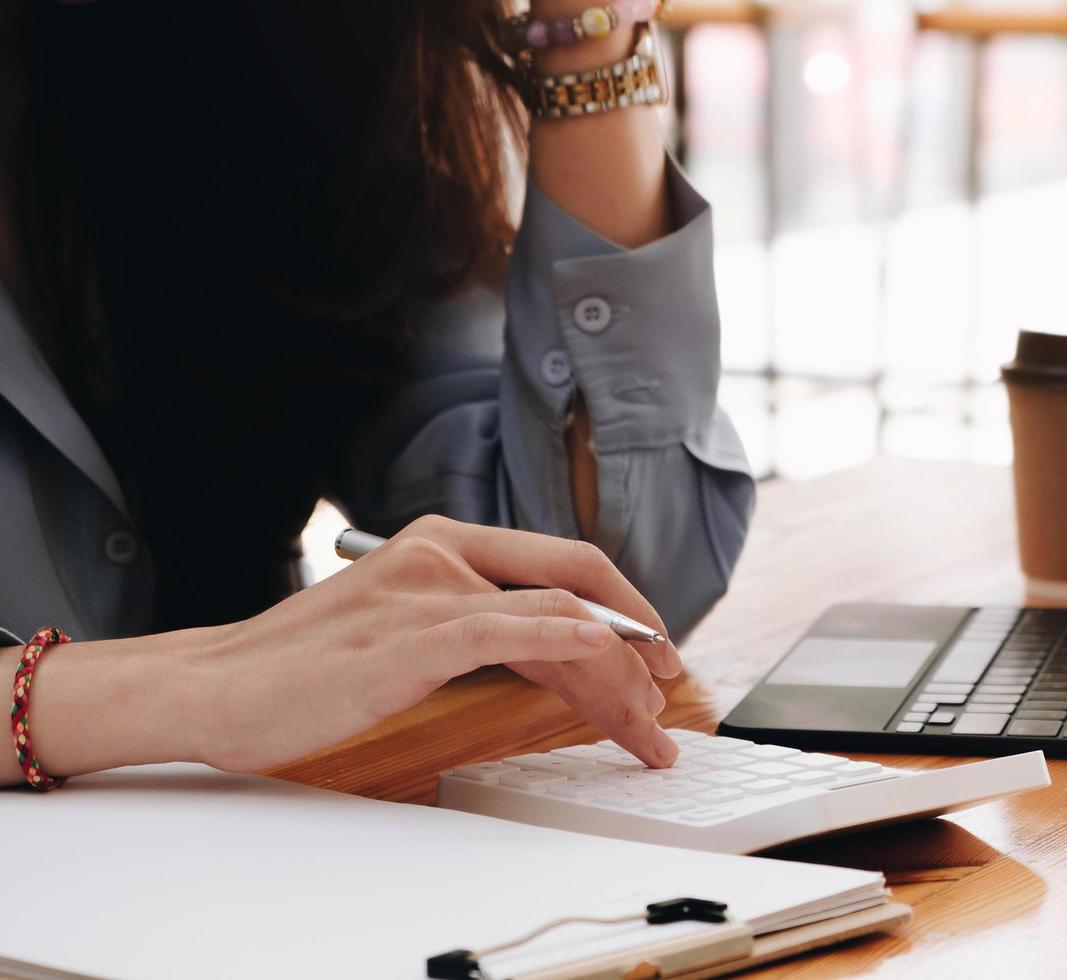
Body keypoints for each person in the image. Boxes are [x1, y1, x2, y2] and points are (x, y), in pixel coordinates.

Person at [0, 0, 754, 788]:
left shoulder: (294, 59)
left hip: (261, 858)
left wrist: (588, 31)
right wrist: (202, 683)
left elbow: (601, 601)